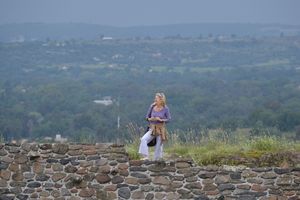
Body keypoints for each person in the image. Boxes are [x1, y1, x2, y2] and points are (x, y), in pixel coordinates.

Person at [138, 92, 171, 160]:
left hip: (161, 129)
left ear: (161, 100)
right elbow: (147, 117)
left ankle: (157, 160)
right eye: (155, 98)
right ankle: (145, 156)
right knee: (144, 139)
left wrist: (161, 120)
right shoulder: (152, 107)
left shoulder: (165, 108)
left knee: (158, 146)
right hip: (152, 128)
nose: (155, 100)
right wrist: (151, 119)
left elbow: (168, 119)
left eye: (156, 98)